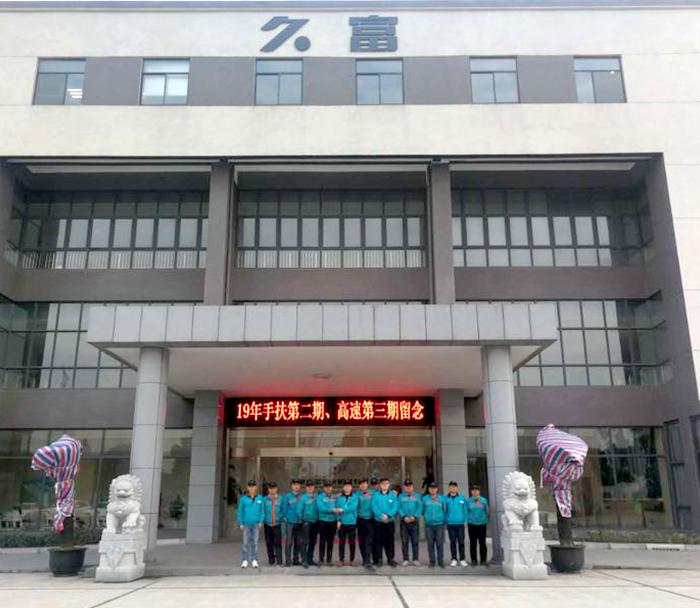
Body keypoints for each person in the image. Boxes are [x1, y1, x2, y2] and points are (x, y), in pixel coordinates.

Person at [371, 477, 398, 567]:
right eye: (383, 484)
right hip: (378, 522)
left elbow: (395, 506)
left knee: (389, 541)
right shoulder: (376, 495)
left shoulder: (392, 495)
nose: (385, 485)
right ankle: (379, 559)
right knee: (378, 541)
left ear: (389, 485)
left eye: (386, 483)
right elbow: (374, 507)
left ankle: (390, 559)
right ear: (380, 485)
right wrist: (381, 515)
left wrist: (388, 515)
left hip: (389, 522)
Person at [237, 479, 264, 569]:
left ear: (256, 487)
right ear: (248, 488)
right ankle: (245, 560)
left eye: (253, 486)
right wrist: (241, 523)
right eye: (250, 486)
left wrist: (261, 521)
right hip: (246, 524)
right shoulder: (244, 499)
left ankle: (254, 559)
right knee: (245, 543)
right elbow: (240, 511)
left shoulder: (260, 498)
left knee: (255, 543)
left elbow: (262, 511)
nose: (252, 488)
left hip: (256, 524)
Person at [398, 478, 422, 566]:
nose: (408, 487)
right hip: (404, 522)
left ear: (412, 487)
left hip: (414, 521)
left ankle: (415, 559)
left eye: (410, 485)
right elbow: (398, 507)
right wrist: (404, 516)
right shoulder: (400, 496)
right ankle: (405, 559)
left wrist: (414, 516)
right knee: (404, 541)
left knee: (415, 541)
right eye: (406, 486)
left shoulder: (417, 496)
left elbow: (420, 507)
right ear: (404, 487)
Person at [422, 481, 446, 568]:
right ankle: (432, 561)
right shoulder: (425, 499)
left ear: (437, 489)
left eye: (434, 488)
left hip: (439, 524)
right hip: (429, 525)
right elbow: (422, 510)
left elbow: (444, 510)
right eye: (431, 488)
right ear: (429, 489)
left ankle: (440, 561)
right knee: (430, 544)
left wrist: (443, 521)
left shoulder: (442, 499)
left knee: (439, 543)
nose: (433, 490)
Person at [297, 480, 320, 568]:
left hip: (315, 522)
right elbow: (299, 510)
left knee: (313, 542)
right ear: (306, 488)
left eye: (312, 486)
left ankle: (310, 559)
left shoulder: (316, 497)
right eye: (308, 487)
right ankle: (304, 560)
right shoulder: (303, 498)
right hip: (306, 522)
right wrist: (302, 520)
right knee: (305, 542)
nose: (310, 488)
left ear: (314, 488)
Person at [445, 481, 468, 567]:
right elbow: (445, 511)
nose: (453, 488)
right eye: (451, 486)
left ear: (457, 488)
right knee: (453, 542)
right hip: (451, 523)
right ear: (449, 488)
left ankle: (462, 559)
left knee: (461, 542)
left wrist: (465, 521)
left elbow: (465, 510)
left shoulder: (462, 498)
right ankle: (454, 559)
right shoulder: (446, 499)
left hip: (460, 523)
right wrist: (446, 520)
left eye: (454, 487)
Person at [335, 480, 359, 566]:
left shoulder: (355, 497)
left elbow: (353, 507)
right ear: (343, 487)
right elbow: (337, 509)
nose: (347, 488)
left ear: (351, 487)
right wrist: (338, 520)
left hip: (352, 522)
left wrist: (343, 509)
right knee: (341, 542)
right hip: (342, 523)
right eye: (345, 486)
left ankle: (352, 560)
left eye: (349, 486)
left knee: (352, 543)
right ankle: (341, 560)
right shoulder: (339, 498)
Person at [316, 480, 339, 566]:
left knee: (330, 542)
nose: (328, 488)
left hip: (333, 522)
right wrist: (332, 510)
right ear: (324, 488)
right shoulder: (320, 497)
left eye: (329, 486)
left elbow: (337, 508)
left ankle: (329, 560)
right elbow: (321, 508)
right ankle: (321, 559)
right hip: (323, 521)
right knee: (322, 541)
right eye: (326, 487)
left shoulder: (334, 498)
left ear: (332, 488)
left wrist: (338, 519)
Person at [282, 479, 303, 566]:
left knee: (298, 542)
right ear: (291, 486)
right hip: (290, 522)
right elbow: (284, 508)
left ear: (300, 486)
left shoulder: (302, 496)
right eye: (294, 485)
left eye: (298, 484)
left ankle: (296, 559)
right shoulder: (287, 496)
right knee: (289, 541)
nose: (296, 486)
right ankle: (288, 560)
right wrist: (285, 517)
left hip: (299, 522)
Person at [467, 484, 489, 566]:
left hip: (482, 524)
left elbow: (487, 511)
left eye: (476, 490)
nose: (475, 492)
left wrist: (484, 519)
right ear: (471, 492)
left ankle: (483, 560)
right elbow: (466, 512)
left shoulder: (484, 500)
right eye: (473, 490)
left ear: (479, 491)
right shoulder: (468, 501)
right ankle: (474, 560)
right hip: (472, 524)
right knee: (473, 543)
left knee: (482, 543)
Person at [263, 481, 285, 567]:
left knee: (277, 543)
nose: (272, 490)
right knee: (269, 543)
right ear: (268, 489)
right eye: (271, 488)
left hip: (277, 524)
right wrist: (264, 520)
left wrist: (280, 517)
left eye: (274, 488)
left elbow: (283, 510)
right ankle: (271, 561)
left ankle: (279, 562)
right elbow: (263, 511)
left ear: (276, 489)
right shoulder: (265, 499)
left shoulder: (281, 499)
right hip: (267, 524)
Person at [356, 477, 375, 571]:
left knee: (369, 541)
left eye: (364, 483)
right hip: (360, 520)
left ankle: (368, 560)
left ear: (367, 485)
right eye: (361, 484)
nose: (363, 485)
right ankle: (364, 559)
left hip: (370, 520)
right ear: (359, 486)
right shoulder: (356, 494)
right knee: (361, 541)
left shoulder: (373, 493)